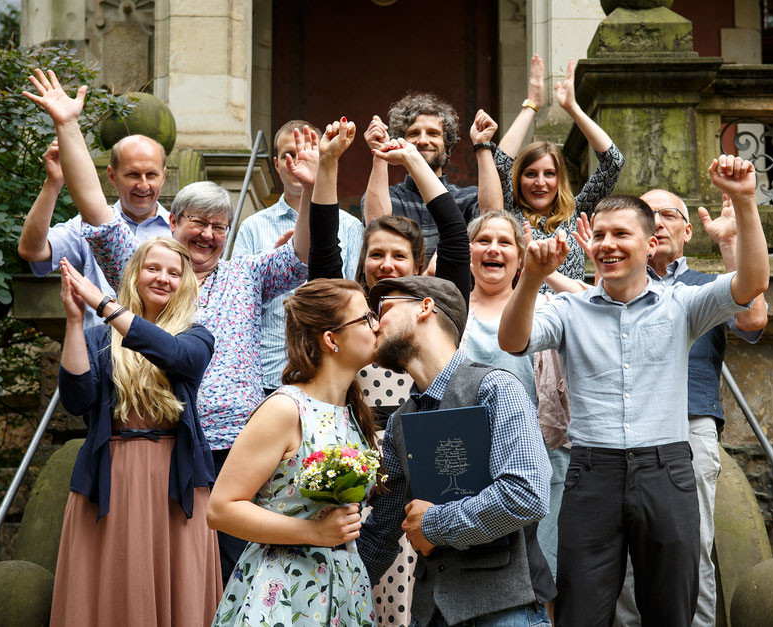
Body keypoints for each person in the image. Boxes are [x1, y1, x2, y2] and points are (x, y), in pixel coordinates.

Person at [23, 68, 310, 584]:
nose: (207, 234)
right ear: (170, 223)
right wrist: (68, 127)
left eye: (219, 226)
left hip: (236, 446)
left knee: (235, 573)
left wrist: (310, 188)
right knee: (169, 572)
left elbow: (305, 255)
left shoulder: (246, 272)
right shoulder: (147, 271)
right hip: (166, 444)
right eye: (196, 222)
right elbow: (93, 208)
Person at [498, 155, 770, 626]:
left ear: (650, 243)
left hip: (666, 471)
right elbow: (513, 340)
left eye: (622, 234)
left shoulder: (683, 304)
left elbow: (751, 284)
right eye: (599, 235)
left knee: (672, 610)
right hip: (591, 473)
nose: (608, 244)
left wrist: (746, 201)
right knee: (580, 611)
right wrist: (532, 279)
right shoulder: (569, 309)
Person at [307, 118, 471, 626]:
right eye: (375, 255)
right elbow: (323, 244)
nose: (385, 263)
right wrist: (329, 164)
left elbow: (455, 234)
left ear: (420, 266)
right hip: (352, 470)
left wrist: (414, 162)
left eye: (399, 255)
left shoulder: (429, 317)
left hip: (418, 473)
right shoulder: (347, 316)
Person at [360, 275, 554, 627]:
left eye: (384, 309)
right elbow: (382, 530)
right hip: (429, 612)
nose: (375, 324)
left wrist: (433, 524)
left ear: (425, 307)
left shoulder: (496, 387)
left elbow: (527, 494)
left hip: (505, 611)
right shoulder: (399, 423)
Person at [613, 189, 768, 627]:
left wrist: (727, 244)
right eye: (648, 215)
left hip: (689, 423)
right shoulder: (613, 282)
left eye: (668, 215)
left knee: (692, 543)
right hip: (626, 428)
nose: (657, 222)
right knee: (626, 548)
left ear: (686, 230)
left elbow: (754, 319)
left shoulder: (705, 284)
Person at [52, 238, 220, 626]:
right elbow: (77, 401)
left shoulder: (197, 337)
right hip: (112, 475)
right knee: (109, 583)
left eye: (174, 272)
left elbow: (175, 357)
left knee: (181, 585)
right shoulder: (98, 339)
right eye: (153, 268)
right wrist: (76, 322)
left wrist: (104, 306)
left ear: (187, 283)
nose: (162, 278)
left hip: (174, 479)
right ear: (135, 274)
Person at [208, 278, 381, 626]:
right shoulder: (285, 410)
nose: (377, 325)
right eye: (365, 318)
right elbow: (221, 509)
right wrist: (315, 534)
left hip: (344, 588)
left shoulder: (353, 413)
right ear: (331, 339)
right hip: (284, 591)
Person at [461, 211, 587, 621]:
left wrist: (542, 273)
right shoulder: (449, 310)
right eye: (483, 241)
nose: (493, 249)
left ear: (519, 257)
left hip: (541, 462)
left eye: (505, 243)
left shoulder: (547, 306)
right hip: (467, 465)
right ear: (469, 252)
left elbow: (597, 297)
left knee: (541, 572)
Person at [231, 119, 363, 396]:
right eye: (288, 154)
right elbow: (241, 300)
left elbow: (349, 294)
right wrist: (276, 265)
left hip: (328, 369)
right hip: (269, 370)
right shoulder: (252, 226)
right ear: (276, 163)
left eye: (307, 149)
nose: (298, 159)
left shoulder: (350, 226)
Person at [481, 56, 624, 291]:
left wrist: (572, 108)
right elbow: (499, 165)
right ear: (519, 179)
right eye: (530, 174)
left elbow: (613, 162)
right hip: (526, 315)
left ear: (560, 179)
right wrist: (531, 105)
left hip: (571, 315)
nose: (540, 183)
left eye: (549, 174)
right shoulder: (509, 214)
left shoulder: (578, 213)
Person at [18, 134, 172, 327]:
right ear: (112, 176)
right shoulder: (89, 227)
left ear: (163, 176)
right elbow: (31, 250)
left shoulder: (181, 230)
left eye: (151, 175)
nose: (143, 185)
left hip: (163, 351)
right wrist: (53, 182)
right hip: (101, 351)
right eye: (133, 175)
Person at [360, 93, 501, 263]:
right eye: (413, 134)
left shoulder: (467, 198)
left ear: (448, 148)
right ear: (400, 143)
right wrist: (381, 152)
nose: (423, 140)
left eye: (433, 133)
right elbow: (376, 228)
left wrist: (482, 144)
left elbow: (493, 218)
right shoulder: (390, 197)